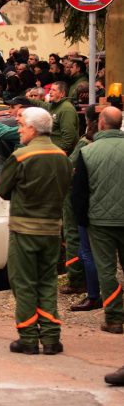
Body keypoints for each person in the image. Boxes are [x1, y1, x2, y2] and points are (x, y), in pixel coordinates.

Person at [0, 107, 72, 355]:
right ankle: (51, 337)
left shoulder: (20, 156)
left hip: (24, 228)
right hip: (52, 229)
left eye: (21, 126)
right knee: (47, 281)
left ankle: (28, 337)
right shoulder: (62, 156)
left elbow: (3, 190)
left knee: (24, 282)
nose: (18, 130)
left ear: (32, 128)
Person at [72, 107, 124, 335]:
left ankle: (114, 318)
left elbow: (79, 192)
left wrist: (82, 220)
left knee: (106, 270)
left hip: (100, 221)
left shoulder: (88, 152)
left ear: (101, 123)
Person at [66, 106, 101, 311]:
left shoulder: (85, 146)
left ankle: (86, 288)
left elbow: (73, 174)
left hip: (87, 207)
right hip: (110, 210)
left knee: (85, 249)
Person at [27, 81, 78, 155]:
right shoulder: (54, 106)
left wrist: (61, 152)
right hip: (50, 148)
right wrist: (23, 99)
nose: (50, 92)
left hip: (59, 152)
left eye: (53, 90)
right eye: (50, 89)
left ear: (62, 93)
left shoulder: (66, 109)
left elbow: (69, 136)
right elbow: (40, 103)